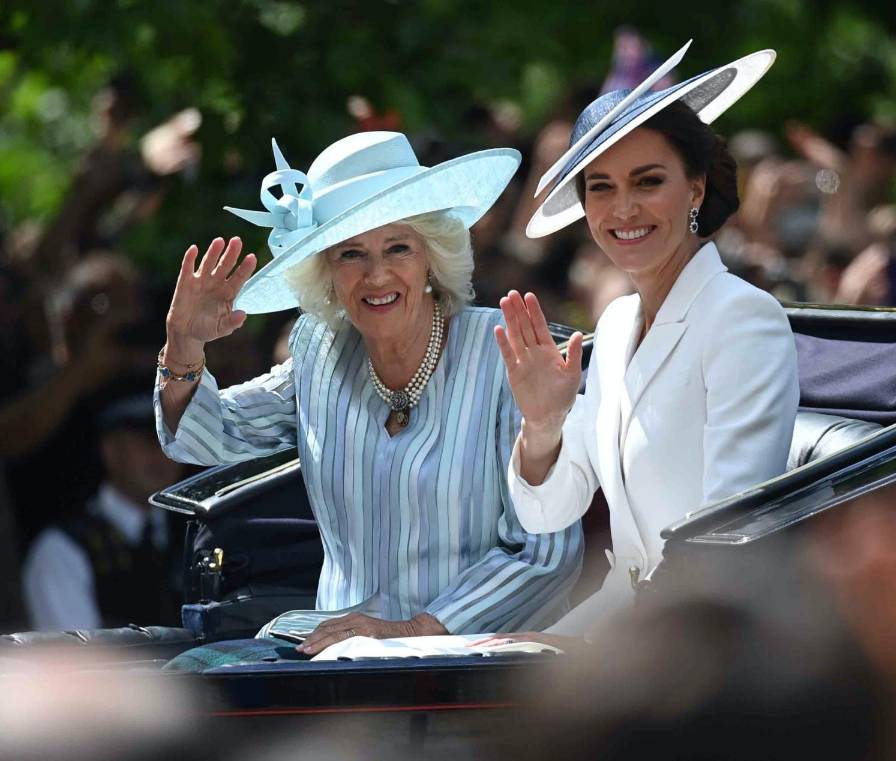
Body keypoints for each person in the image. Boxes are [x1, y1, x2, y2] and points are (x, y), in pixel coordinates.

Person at [154, 132, 583, 660]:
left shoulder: (503, 353)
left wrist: (414, 631)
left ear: (431, 256)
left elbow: (546, 554)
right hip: (336, 662)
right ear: (326, 274)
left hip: (481, 669)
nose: (376, 274)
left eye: (398, 247)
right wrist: (184, 346)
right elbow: (210, 437)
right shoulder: (320, 352)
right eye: (351, 253)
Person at [494, 43, 799, 640]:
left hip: (712, 639)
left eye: (648, 181)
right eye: (600, 187)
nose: (623, 209)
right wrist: (543, 425)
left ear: (694, 188)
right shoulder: (613, 326)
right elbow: (549, 512)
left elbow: (726, 538)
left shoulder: (742, 318)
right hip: (628, 624)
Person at [22, 394, 185, 630]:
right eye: (145, 439)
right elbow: (78, 661)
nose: (160, 452)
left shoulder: (195, 532)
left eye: (171, 439)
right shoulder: (63, 549)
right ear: (111, 450)